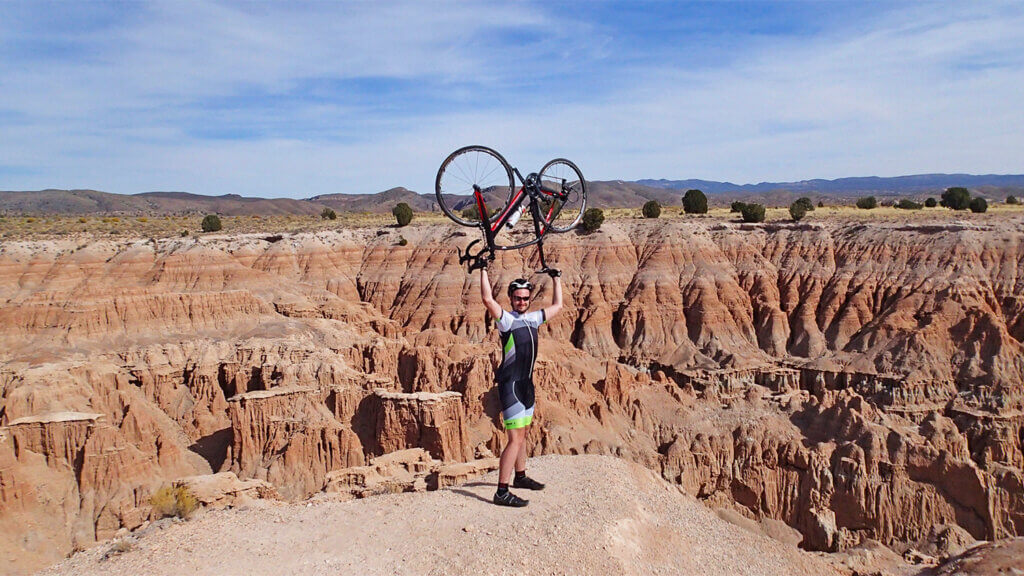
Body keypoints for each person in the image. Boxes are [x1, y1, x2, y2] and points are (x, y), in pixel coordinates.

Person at [479, 263, 562, 507]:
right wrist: (483, 270)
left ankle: (521, 476)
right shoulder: (506, 321)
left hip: (527, 385)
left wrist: (556, 279)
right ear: (511, 299)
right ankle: (501, 492)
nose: (522, 302)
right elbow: (486, 299)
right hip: (511, 386)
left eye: (525, 298)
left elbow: (558, 306)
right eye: (517, 298)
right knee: (514, 439)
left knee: (523, 434)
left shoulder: (534, 319)